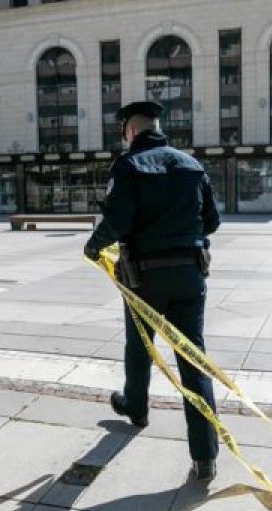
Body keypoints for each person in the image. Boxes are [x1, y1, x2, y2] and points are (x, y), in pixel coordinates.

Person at [83, 101, 221, 481]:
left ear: (130, 130)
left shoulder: (128, 166)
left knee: (139, 346)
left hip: (143, 278)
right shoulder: (192, 165)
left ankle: (137, 408)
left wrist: (93, 246)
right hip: (190, 275)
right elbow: (212, 221)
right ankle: (205, 456)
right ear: (158, 126)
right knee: (194, 360)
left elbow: (118, 220)